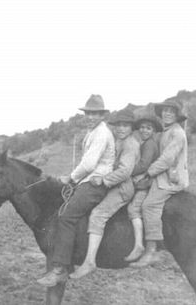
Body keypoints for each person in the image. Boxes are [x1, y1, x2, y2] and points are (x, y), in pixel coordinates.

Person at [37, 94, 115, 287]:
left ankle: (60, 269)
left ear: (102, 115)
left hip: (95, 183)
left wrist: (71, 178)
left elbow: (88, 164)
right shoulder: (92, 132)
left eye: (95, 113)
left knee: (66, 217)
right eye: (88, 113)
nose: (90, 116)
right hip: (87, 180)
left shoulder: (101, 133)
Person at [70, 108, 141, 279]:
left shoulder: (131, 144)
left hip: (122, 188)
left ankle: (90, 261)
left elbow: (124, 171)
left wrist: (104, 180)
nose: (121, 129)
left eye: (125, 126)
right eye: (118, 125)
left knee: (97, 215)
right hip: (114, 185)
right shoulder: (118, 140)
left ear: (132, 128)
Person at [130, 99, 189, 268]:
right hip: (162, 174)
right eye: (165, 110)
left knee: (149, 205)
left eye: (171, 111)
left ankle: (151, 251)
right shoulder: (165, 131)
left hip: (171, 178)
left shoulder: (178, 133)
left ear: (177, 115)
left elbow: (167, 159)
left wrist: (148, 173)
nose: (167, 113)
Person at [124, 110, 162, 262]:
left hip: (145, 183)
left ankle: (139, 245)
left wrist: (126, 171)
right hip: (142, 180)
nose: (144, 130)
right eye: (142, 127)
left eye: (148, 128)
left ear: (153, 131)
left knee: (133, 209)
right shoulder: (144, 143)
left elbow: (144, 164)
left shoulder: (149, 145)